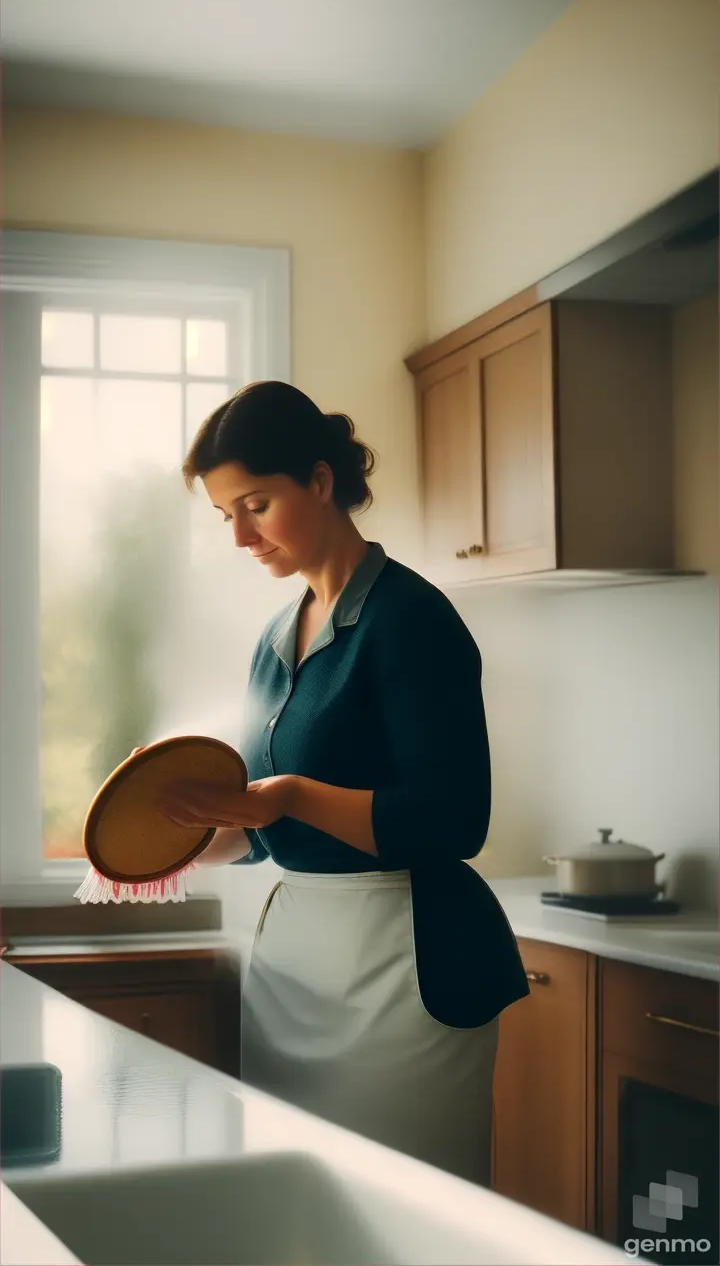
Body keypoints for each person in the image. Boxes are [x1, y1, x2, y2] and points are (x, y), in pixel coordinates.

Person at [157, 380, 529, 1186]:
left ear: (320, 481)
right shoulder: (273, 637)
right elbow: (258, 830)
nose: (241, 537)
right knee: (299, 1206)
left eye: (255, 505)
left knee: (406, 1209)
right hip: (296, 970)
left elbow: (452, 820)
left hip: (405, 968)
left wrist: (286, 794)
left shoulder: (411, 620)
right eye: (227, 515)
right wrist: (168, 843)